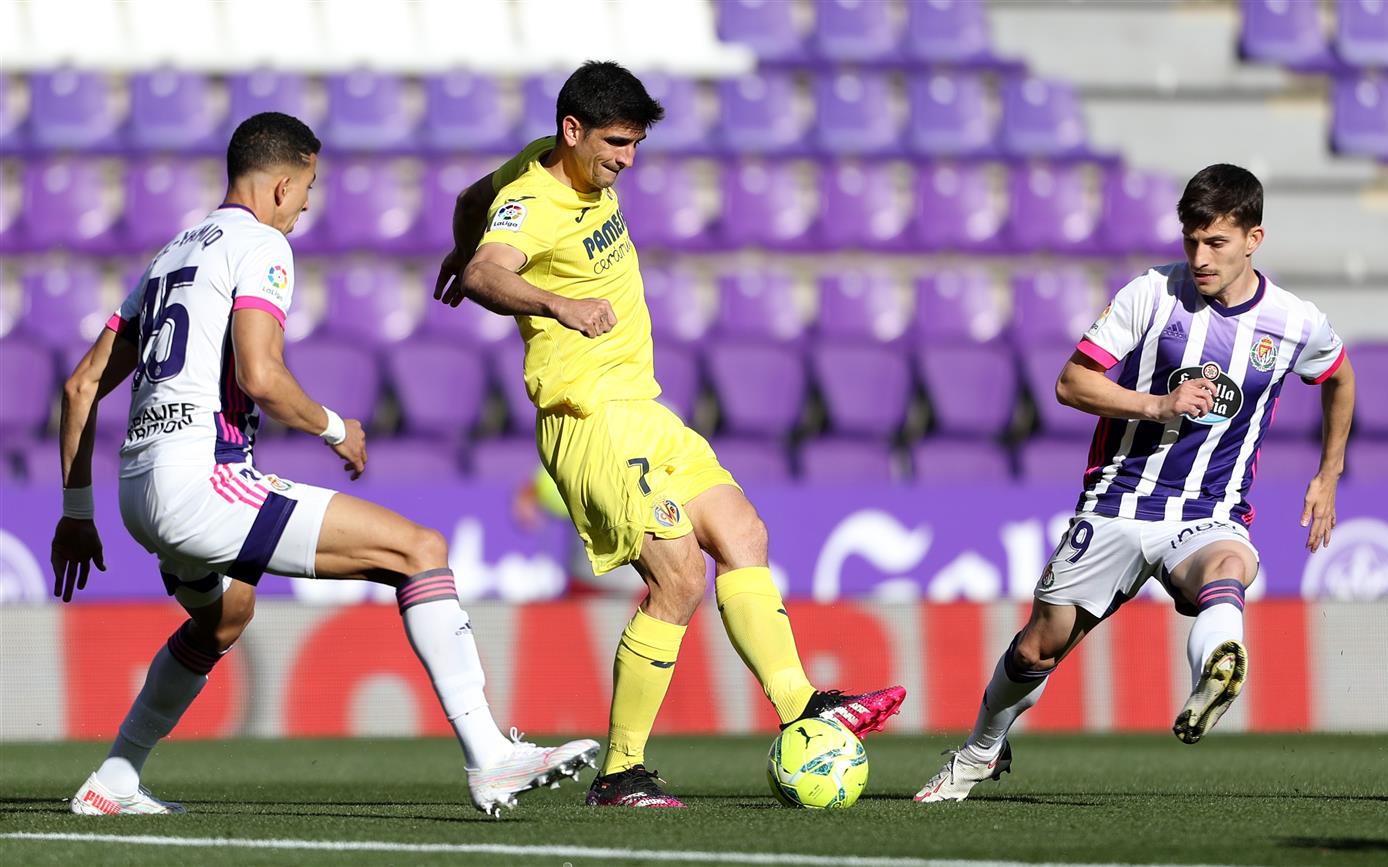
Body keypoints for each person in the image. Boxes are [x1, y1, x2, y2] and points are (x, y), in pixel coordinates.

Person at [52, 112, 597, 818]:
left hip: (137, 488)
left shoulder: (171, 254)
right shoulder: (262, 246)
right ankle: (491, 757)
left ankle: (115, 778)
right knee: (419, 550)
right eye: (307, 187)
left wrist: (75, 512)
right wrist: (336, 427)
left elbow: (80, 383)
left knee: (224, 616)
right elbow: (260, 374)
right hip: (203, 481)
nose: (307, 204)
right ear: (281, 183)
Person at [435, 61, 905, 808]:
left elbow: (470, 202)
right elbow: (495, 272)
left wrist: (461, 249)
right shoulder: (535, 198)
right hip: (587, 418)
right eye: (615, 143)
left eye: (635, 144)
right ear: (573, 130)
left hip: (643, 410)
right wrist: (550, 300)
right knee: (678, 576)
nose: (626, 161)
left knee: (742, 531)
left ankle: (800, 705)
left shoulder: (532, 160)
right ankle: (620, 772)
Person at [913, 164, 1355, 804]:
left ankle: (1214, 671)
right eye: (1191, 241)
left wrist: (1329, 472)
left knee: (1229, 563)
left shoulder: (1294, 321)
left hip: (1209, 510)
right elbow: (1071, 383)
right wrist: (1158, 405)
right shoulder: (1151, 294)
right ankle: (981, 751)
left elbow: (1340, 377)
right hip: (1119, 501)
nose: (1200, 257)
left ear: (1254, 238)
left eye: (1217, 243)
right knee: (1040, 646)